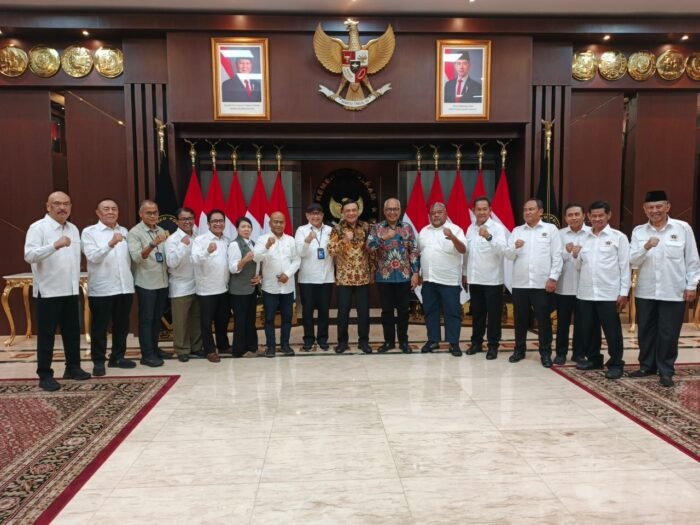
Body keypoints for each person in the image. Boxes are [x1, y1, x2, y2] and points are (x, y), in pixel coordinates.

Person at [629, 190, 700, 387]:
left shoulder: (682, 228)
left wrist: (691, 286)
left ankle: (666, 370)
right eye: (650, 207)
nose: (655, 211)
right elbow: (632, 260)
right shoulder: (639, 231)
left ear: (668, 207)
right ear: (645, 210)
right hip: (646, 290)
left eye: (659, 206)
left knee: (669, 333)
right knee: (646, 331)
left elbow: (692, 259)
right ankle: (647, 366)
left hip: (673, 290)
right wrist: (645, 247)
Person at [25, 191, 90, 391]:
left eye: (66, 204)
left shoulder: (73, 228)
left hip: (70, 289)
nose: (62, 208)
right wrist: (54, 246)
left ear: (70, 207)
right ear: (48, 206)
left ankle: (73, 367)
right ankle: (45, 375)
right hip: (48, 291)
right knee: (47, 335)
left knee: (72, 332)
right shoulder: (38, 228)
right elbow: (29, 255)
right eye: (57, 204)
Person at [573, 201, 630, 379]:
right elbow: (578, 266)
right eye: (594, 216)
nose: (597, 219)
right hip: (586, 292)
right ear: (589, 216)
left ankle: (616, 363)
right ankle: (594, 359)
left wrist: (624, 292)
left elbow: (624, 266)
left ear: (608, 215)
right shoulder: (583, 238)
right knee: (589, 329)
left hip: (609, 293)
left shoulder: (618, 237)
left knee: (612, 331)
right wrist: (575, 254)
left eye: (601, 215)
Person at [505, 199, 563, 367]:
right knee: (520, 320)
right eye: (525, 210)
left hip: (542, 284)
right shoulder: (517, 231)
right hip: (520, 284)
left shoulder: (550, 230)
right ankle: (519, 350)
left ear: (540, 211)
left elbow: (557, 256)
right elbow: (508, 255)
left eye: (531, 209)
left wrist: (553, 278)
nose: (527, 212)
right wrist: (515, 247)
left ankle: (545, 353)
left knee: (543, 321)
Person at [81, 198, 135, 376]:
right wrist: (110, 244)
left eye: (114, 208)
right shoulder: (89, 232)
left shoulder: (124, 231)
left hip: (124, 287)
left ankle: (117, 357)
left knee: (122, 326)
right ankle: (98, 361)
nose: (111, 212)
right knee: (100, 327)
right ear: (98, 213)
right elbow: (92, 257)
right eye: (106, 209)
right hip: (102, 288)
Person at [367, 198, 420, 354]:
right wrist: (383, 238)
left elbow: (414, 251)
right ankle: (389, 341)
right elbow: (369, 247)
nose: (392, 212)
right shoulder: (377, 228)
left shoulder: (407, 228)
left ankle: (404, 342)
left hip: (404, 276)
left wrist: (415, 272)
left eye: (395, 209)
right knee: (387, 311)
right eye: (389, 209)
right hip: (384, 277)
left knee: (403, 311)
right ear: (384, 211)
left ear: (399, 210)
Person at [417, 202, 467, 357]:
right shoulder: (424, 231)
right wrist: (420, 273)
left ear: (446, 214)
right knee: (430, 312)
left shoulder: (456, 229)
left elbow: (463, 250)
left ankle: (453, 343)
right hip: (429, 280)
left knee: (452, 313)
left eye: (439, 212)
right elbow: (421, 253)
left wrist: (452, 237)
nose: (436, 215)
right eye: (433, 213)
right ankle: (433, 340)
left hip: (449, 281)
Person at [462, 196, 507, 360]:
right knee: (477, 314)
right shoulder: (470, 228)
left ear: (490, 210)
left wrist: (489, 237)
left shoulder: (497, 228)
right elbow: (467, 254)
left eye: (484, 209)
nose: (481, 212)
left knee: (493, 316)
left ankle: (493, 345)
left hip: (492, 280)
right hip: (475, 279)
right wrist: (465, 273)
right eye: (478, 209)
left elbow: (503, 250)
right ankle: (476, 343)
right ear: (474, 211)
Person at [128, 200, 172, 367]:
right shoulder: (135, 232)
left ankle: (154, 348)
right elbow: (137, 257)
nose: (153, 215)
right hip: (146, 282)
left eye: (155, 212)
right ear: (141, 214)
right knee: (146, 319)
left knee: (156, 318)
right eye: (149, 213)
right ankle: (147, 354)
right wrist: (153, 244)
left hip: (162, 280)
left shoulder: (160, 230)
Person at [327, 199, 374, 354]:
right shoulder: (337, 229)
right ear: (342, 212)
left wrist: (372, 271)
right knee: (343, 312)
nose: (351, 213)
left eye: (354, 210)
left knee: (364, 313)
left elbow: (372, 251)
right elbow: (331, 250)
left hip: (363, 277)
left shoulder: (366, 227)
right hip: (344, 278)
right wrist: (345, 240)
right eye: (348, 210)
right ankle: (342, 342)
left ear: (358, 211)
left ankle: (364, 342)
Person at [253, 211, 300, 357]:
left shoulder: (291, 240)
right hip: (270, 287)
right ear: (270, 223)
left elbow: (297, 260)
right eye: (276, 222)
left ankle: (285, 345)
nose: (279, 224)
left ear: (285, 223)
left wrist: (288, 274)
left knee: (287, 318)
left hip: (287, 286)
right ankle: (271, 347)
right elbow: (256, 257)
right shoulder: (262, 239)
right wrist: (267, 246)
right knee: (269, 318)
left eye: (281, 222)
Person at [554, 203, 592, 365]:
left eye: (577, 214)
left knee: (582, 323)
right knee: (562, 323)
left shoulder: (592, 233)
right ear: (565, 218)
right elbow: (554, 258)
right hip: (564, 286)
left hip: (585, 287)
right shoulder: (560, 234)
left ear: (584, 215)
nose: (574, 218)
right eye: (570, 215)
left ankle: (579, 353)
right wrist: (566, 251)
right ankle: (560, 353)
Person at [191, 209, 231, 363]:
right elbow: (195, 260)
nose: (218, 224)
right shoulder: (200, 240)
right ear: (208, 224)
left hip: (224, 287)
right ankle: (209, 350)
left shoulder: (227, 240)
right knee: (207, 323)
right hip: (206, 289)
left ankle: (223, 346)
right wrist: (207, 251)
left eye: (221, 221)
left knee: (223, 320)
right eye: (215, 221)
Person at [164, 207, 202, 363]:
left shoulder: (198, 237)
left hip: (198, 284)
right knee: (181, 321)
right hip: (180, 285)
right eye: (184, 219)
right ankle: (182, 349)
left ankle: (196, 347)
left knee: (196, 318)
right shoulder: (172, 239)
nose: (187, 222)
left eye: (190, 218)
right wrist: (182, 246)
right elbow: (171, 263)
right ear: (177, 221)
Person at [295, 203, 334, 351]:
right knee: (307, 311)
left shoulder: (330, 230)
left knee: (324, 311)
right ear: (307, 216)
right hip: (307, 278)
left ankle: (323, 339)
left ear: (322, 215)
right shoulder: (301, 230)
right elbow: (300, 253)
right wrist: (307, 241)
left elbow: (335, 251)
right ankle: (308, 339)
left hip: (326, 277)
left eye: (318, 213)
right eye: (312, 213)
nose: (315, 216)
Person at [228, 217, 262, 358]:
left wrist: (259, 277)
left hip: (251, 289)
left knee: (250, 320)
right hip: (239, 290)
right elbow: (233, 268)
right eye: (243, 227)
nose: (246, 229)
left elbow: (257, 265)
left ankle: (252, 347)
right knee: (241, 321)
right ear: (237, 229)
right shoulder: (234, 245)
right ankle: (238, 350)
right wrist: (244, 260)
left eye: (248, 226)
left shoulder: (253, 243)